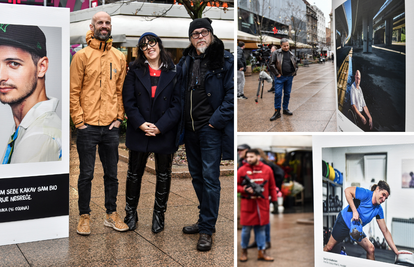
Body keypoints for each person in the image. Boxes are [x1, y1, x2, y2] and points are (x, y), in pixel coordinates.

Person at [177, 17, 234, 251]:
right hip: (189, 129)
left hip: (209, 130)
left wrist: (214, 122)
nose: (200, 37)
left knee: (210, 180)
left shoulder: (224, 59)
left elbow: (232, 97)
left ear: (211, 34)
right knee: (197, 177)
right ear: (190, 38)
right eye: (195, 34)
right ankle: (205, 220)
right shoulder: (185, 60)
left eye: (204, 32)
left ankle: (207, 230)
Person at [70, 11, 128, 235]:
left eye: (107, 23)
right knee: (86, 174)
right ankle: (84, 216)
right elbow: (74, 92)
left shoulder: (119, 56)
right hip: (88, 127)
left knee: (112, 174)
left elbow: (121, 91)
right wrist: (79, 122)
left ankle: (111, 214)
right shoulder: (81, 56)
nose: (104, 26)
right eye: (100, 23)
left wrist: (119, 118)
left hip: (111, 127)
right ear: (92, 26)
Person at [122, 32, 181, 233]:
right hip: (140, 131)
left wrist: (160, 126)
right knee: (133, 174)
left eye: (152, 42)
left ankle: (159, 215)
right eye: (144, 45)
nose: (149, 47)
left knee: (164, 175)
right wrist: (140, 124)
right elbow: (128, 102)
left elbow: (177, 104)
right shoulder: (133, 70)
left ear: (159, 45)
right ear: (141, 51)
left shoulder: (174, 71)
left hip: (164, 131)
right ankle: (130, 213)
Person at [0, 24, 61, 164]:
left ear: (41, 67)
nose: (1, 76)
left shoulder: (40, 137)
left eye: (14, 63)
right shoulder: (26, 126)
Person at [324, 181, 412, 260]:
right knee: (329, 248)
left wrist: (396, 251)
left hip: (356, 229)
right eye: (383, 195)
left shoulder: (378, 210)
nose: (384, 199)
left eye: (386, 198)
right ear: (377, 189)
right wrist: (354, 211)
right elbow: (347, 190)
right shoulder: (366, 194)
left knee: (371, 249)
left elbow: (385, 231)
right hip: (343, 222)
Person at [237, 149, 277, 262]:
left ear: (258, 157)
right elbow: (236, 186)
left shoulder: (267, 169)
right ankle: (244, 251)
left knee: (261, 230)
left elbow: (272, 187)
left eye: (251, 157)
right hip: (248, 205)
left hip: (262, 206)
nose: (249, 159)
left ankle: (262, 252)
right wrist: (244, 189)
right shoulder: (242, 170)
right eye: (247, 157)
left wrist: (274, 201)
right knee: (246, 230)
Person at [269, 38, 298, 121]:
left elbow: (296, 64)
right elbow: (271, 64)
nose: (286, 47)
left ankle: (285, 109)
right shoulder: (275, 53)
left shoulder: (291, 54)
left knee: (287, 94)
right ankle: (277, 111)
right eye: (284, 46)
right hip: (280, 77)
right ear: (281, 45)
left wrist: (294, 72)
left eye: (287, 45)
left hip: (289, 77)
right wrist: (277, 74)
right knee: (278, 94)